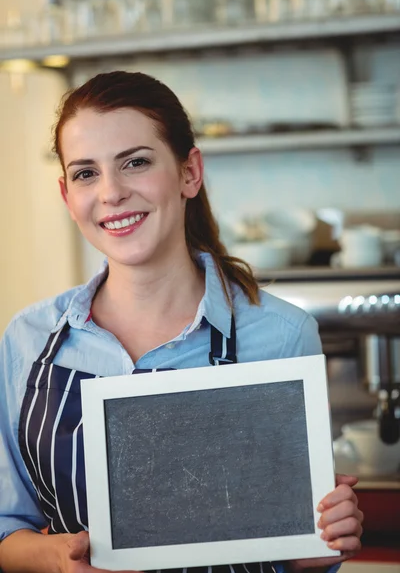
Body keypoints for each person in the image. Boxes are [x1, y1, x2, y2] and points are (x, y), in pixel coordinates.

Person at [0, 71, 363, 573]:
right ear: (67, 196)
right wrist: (59, 559)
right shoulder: (28, 339)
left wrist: (327, 537)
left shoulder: (282, 335)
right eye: (87, 173)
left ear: (189, 172)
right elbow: (6, 530)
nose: (111, 193)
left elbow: (291, 553)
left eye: (136, 163)